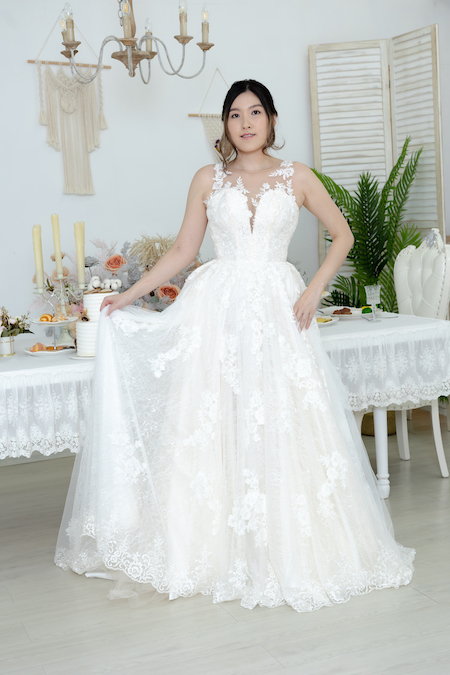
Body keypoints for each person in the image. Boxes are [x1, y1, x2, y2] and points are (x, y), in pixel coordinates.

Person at [55, 80, 415, 613]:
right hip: (217, 310)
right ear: (224, 125)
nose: (245, 123)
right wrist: (127, 295)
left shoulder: (298, 176)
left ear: (272, 119)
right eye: (234, 114)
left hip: (279, 308)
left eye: (255, 112)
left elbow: (343, 235)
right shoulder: (209, 178)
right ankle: (204, 543)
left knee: (282, 414)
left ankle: (290, 543)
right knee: (213, 413)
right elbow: (184, 249)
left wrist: (314, 289)